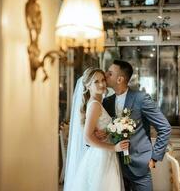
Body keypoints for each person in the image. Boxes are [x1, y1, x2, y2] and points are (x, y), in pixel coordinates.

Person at [102, 60, 171, 191]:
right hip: (115, 167)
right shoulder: (106, 102)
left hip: (140, 166)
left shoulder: (141, 98)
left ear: (120, 79)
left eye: (110, 73)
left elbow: (165, 127)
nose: (105, 75)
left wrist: (154, 158)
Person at [64, 67, 129, 191]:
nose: (102, 84)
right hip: (102, 156)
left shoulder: (97, 102)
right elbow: (87, 138)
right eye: (96, 82)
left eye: (103, 80)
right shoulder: (94, 105)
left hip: (105, 154)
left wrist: (108, 131)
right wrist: (114, 148)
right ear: (88, 86)